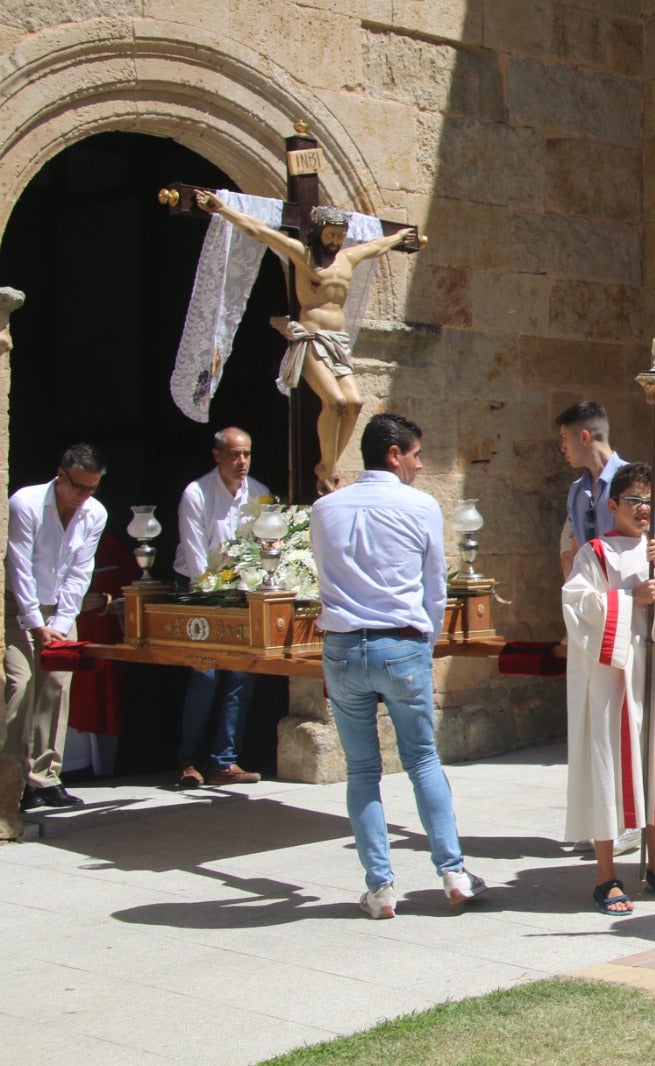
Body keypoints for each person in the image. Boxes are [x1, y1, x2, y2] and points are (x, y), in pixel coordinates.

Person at [309, 414, 487, 918]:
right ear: (393, 454)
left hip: (344, 645)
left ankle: (381, 886)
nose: (420, 463)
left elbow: (325, 573)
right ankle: (452, 872)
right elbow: (435, 587)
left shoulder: (325, 509)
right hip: (400, 641)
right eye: (415, 454)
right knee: (423, 760)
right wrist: (424, 642)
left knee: (363, 769)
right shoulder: (421, 505)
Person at [194, 192, 420, 495]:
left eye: (340, 235)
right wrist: (222, 208)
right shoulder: (303, 255)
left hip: (337, 341)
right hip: (312, 339)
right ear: (319, 232)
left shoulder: (346, 258)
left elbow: (375, 246)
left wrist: (400, 238)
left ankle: (328, 465)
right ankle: (327, 467)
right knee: (335, 402)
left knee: (354, 403)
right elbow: (259, 230)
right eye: (331, 235)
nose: (336, 241)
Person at [563, 463, 655, 913]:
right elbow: (578, 605)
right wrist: (629, 600)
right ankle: (606, 876)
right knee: (609, 766)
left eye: (650, 501)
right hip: (613, 680)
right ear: (612, 506)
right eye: (634, 501)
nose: (643, 509)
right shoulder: (595, 554)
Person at [554, 399, 653, 856]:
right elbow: (578, 549)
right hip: (601, 617)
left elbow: (652, 548)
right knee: (597, 725)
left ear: (585, 436)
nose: (562, 448)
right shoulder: (577, 491)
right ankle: (603, 817)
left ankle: (634, 816)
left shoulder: (632, 480)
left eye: (564, 439)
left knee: (632, 722)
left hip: (635, 620)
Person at [5, 443, 108, 809]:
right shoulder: (26, 503)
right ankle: (11, 779)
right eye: (79, 487)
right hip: (18, 602)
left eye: (92, 488)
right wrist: (35, 623)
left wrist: (62, 624)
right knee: (19, 683)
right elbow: (18, 565)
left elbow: (80, 572)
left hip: (61, 608)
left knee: (56, 687)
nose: (84, 496)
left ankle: (44, 778)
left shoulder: (94, 513)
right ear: (60, 476)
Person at [173, 427, 271, 789]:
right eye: (234, 454)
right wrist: (214, 596)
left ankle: (224, 761)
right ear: (217, 455)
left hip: (242, 592)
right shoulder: (196, 494)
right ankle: (188, 760)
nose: (241, 462)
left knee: (242, 676)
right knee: (205, 675)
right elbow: (196, 556)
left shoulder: (259, 493)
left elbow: (264, 548)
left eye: (246, 454)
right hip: (201, 592)